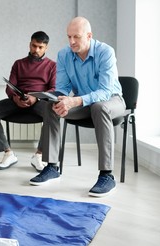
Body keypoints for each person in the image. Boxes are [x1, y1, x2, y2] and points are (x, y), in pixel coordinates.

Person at [29, 17, 126, 197]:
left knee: (99, 107)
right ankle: (52, 166)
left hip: (112, 101)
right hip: (84, 102)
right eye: (69, 37)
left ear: (89, 36)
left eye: (77, 37)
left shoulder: (106, 52)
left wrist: (73, 101)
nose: (72, 42)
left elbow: (104, 92)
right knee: (51, 106)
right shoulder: (64, 54)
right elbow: (63, 88)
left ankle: (107, 175)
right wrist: (57, 99)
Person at [0, 31, 56, 171]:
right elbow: (9, 87)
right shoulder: (18, 64)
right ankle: (8, 153)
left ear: (46, 48)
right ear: (30, 44)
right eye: (34, 46)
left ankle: (39, 155)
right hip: (18, 100)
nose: (36, 50)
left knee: (53, 114)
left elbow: (53, 89)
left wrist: (36, 97)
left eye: (40, 47)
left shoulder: (52, 66)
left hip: (39, 101)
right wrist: (15, 98)